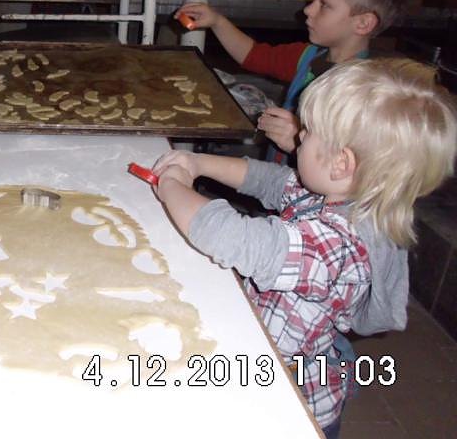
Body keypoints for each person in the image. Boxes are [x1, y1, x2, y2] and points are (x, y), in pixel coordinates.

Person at [151, 58, 457, 438]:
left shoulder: (336, 245)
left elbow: (229, 236)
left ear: (341, 163)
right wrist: (196, 162)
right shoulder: (337, 195)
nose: (298, 139)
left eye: (308, 133)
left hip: (289, 400)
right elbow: (270, 180)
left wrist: (172, 185)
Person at [174, 0, 408, 157]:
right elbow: (253, 55)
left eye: (324, 4)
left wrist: (297, 144)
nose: (308, 9)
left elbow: (346, 166)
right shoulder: (307, 57)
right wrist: (217, 22)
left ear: (363, 23)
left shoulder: (364, 92)